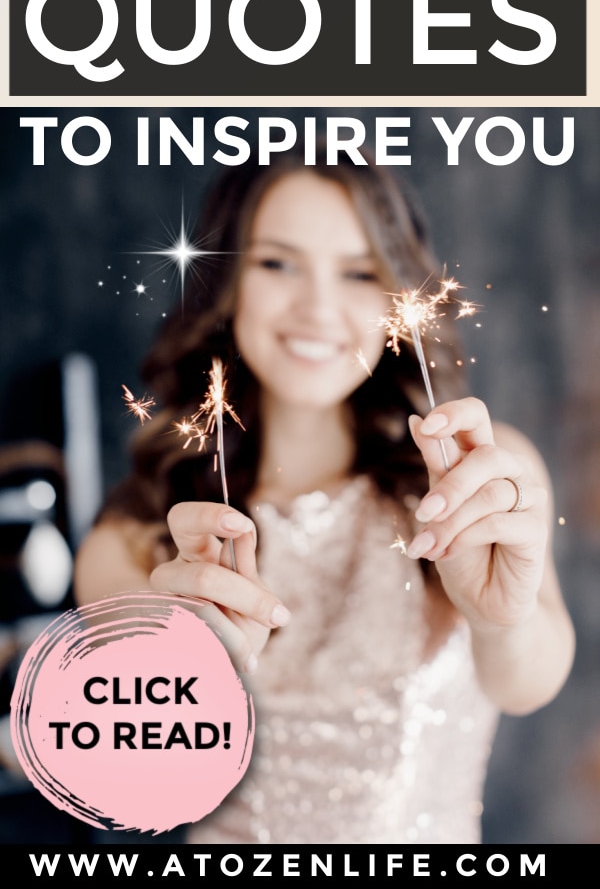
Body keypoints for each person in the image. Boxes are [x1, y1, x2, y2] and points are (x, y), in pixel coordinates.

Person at [75, 152, 575, 844]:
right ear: (227, 283)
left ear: (398, 292)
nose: (318, 307)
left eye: (361, 271)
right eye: (278, 263)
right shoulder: (136, 539)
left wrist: (498, 619)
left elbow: (528, 683)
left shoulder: (477, 477)